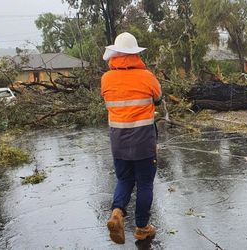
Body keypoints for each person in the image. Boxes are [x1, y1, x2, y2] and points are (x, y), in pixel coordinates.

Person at [100, 32, 162, 244]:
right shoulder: (147, 76)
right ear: (135, 54)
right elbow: (158, 99)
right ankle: (142, 227)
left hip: (118, 141)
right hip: (143, 141)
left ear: (115, 54)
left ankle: (117, 211)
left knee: (124, 179)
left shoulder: (106, 78)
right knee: (144, 183)